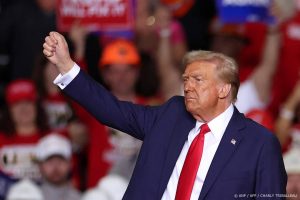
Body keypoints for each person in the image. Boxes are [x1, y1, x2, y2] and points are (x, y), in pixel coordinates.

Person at [43, 31, 287, 199]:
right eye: (186, 80)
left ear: (224, 89)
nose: (188, 87)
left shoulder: (260, 144)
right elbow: (112, 110)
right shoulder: (171, 114)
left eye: (198, 80)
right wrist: (66, 66)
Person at [36, 133, 81, 200]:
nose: (55, 167)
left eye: (60, 161)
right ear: (40, 166)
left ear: (70, 164)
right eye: (50, 162)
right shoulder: (31, 197)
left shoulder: (82, 198)